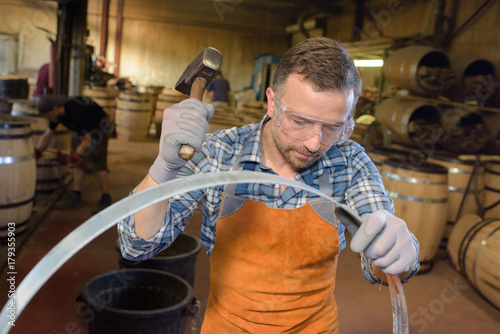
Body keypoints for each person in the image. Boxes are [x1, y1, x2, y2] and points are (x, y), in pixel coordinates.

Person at [118, 37, 419, 333]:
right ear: (273, 102)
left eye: (332, 127)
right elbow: (136, 247)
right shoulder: (220, 153)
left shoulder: (350, 162)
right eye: (300, 121)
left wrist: (396, 255)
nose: (314, 144)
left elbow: (380, 263)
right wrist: (163, 171)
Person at [35, 95, 113, 214]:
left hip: (99, 126)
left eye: (47, 115)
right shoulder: (57, 114)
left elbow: (87, 142)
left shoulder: (75, 113)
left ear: (54, 108)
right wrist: (37, 151)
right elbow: (48, 133)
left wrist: (72, 157)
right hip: (86, 127)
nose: (48, 118)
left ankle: (106, 197)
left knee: (98, 163)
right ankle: (76, 196)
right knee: (79, 163)